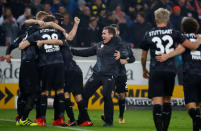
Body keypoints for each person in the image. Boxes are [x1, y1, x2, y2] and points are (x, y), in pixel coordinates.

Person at [140, 8, 201, 131]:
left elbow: (143, 56)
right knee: (167, 99)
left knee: (157, 101)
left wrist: (144, 69)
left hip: (155, 69)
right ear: (168, 19)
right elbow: (191, 46)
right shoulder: (175, 33)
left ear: (155, 19)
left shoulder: (148, 34)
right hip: (170, 70)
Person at [71, 26, 128, 126]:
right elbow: (87, 52)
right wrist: (72, 50)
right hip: (97, 74)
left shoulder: (117, 44)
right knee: (84, 95)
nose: (102, 35)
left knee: (106, 96)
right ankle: (83, 119)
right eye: (102, 33)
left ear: (111, 35)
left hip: (109, 76)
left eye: (104, 33)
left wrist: (122, 55)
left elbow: (126, 52)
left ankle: (109, 122)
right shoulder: (99, 45)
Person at [19, 15, 66, 127]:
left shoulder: (37, 33)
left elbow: (21, 47)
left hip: (46, 64)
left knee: (44, 92)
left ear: (42, 23)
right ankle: (61, 119)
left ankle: (42, 120)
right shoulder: (58, 31)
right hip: (59, 63)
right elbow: (64, 42)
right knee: (60, 91)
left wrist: (32, 41)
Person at [156, 17, 201, 131]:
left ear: (183, 28)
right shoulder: (200, 38)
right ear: (196, 28)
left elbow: (180, 49)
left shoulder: (183, 38)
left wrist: (166, 56)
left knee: (190, 105)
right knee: (198, 105)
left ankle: (198, 120)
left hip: (189, 73)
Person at [101, 24, 135, 123]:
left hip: (121, 73)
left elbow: (132, 58)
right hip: (110, 73)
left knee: (121, 95)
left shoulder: (124, 45)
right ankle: (107, 115)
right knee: (109, 94)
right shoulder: (105, 44)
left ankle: (121, 116)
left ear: (118, 32)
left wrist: (126, 61)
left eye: (115, 31)